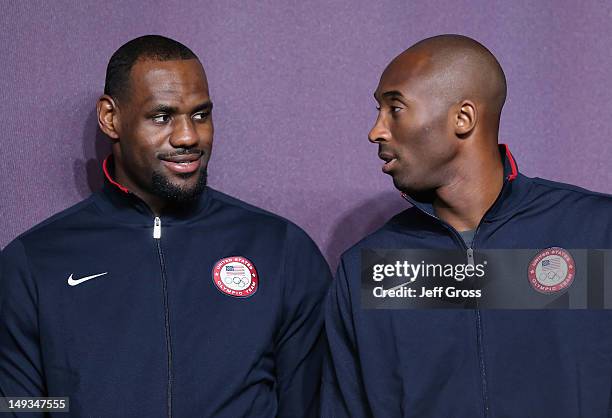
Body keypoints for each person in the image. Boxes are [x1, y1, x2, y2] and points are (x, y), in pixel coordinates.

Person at [0, 35, 331, 417]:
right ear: (111, 118)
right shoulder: (34, 262)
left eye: (200, 115)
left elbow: (308, 403)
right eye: (162, 117)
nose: (188, 136)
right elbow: (20, 404)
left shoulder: (281, 249)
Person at [322, 34, 612, 417]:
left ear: (463, 118)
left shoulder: (596, 232)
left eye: (395, 108)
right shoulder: (371, 267)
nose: (376, 131)